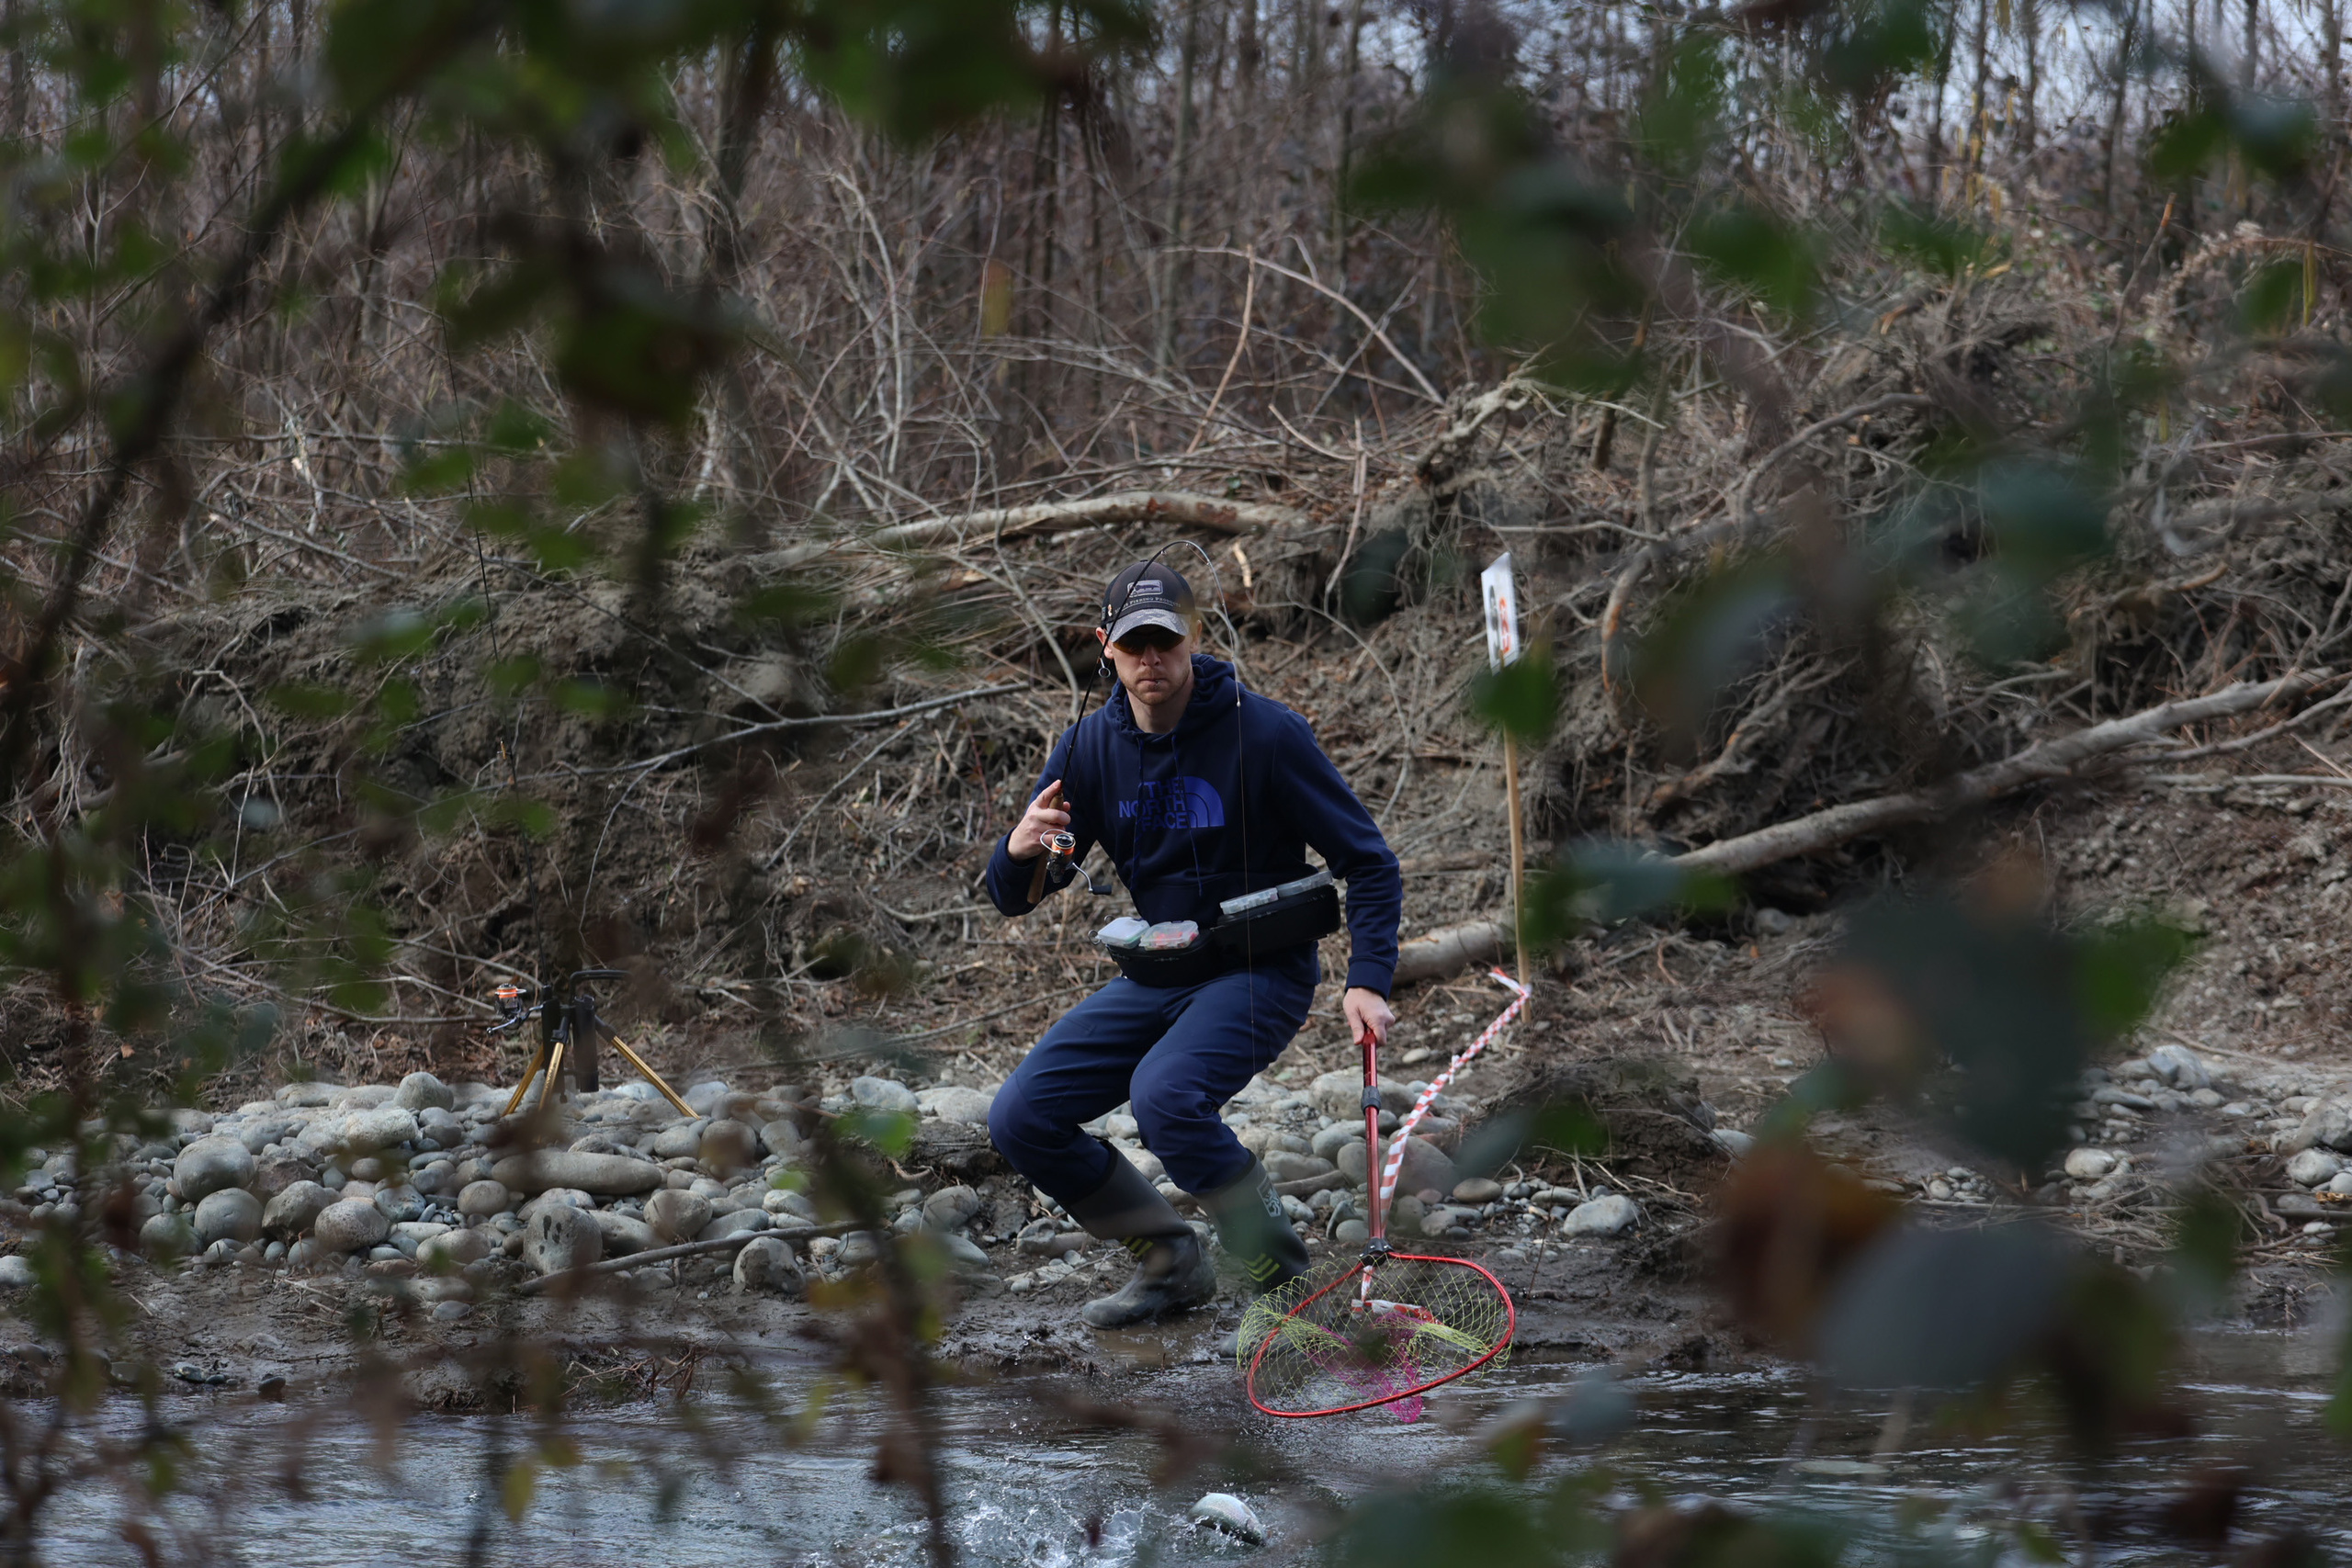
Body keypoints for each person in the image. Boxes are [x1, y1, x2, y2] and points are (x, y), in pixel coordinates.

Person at [982, 558, 1403, 1328]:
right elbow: (1023, 895)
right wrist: (1017, 852)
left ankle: (1284, 1280)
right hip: (1159, 970)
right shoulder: (1090, 750)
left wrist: (1368, 977)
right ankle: (1170, 1262)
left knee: (1165, 1096)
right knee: (1020, 1116)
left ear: (1194, 637)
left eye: (1166, 642)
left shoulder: (1267, 732)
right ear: (1105, 646)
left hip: (1260, 969)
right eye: (1135, 644)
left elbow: (1369, 862)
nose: (1152, 660)